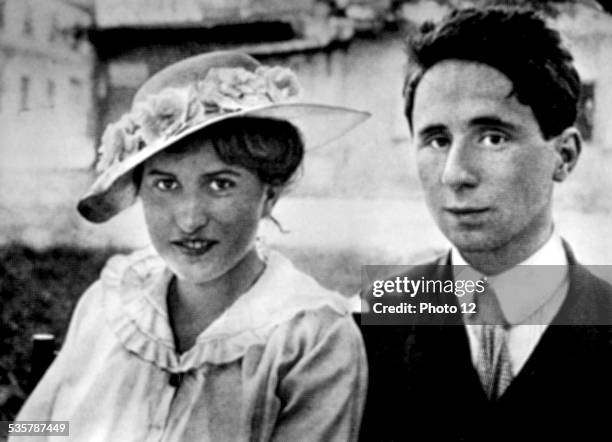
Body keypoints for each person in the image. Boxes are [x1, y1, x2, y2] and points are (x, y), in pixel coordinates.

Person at [13, 51, 369, 441]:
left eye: (221, 184)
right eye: (166, 184)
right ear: (140, 192)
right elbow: (37, 426)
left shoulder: (309, 336)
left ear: (269, 195)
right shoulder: (111, 303)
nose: (189, 219)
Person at [358, 7, 612, 441]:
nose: (455, 173)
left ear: (564, 156)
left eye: (493, 137)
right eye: (437, 140)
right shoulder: (373, 318)